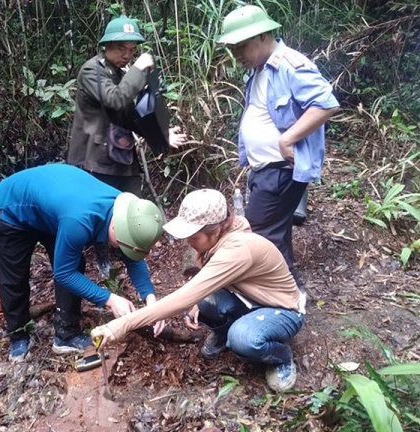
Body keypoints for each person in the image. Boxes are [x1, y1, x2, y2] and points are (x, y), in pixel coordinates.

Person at [92, 189, 306, 392]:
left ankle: (282, 357)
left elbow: (184, 297)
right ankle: (224, 334)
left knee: (242, 338)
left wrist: (123, 324)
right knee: (203, 304)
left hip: (283, 310)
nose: (189, 242)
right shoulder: (223, 234)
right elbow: (203, 285)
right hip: (250, 299)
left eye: (193, 237)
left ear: (214, 231)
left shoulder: (238, 249)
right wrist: (197, 302)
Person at [0, 163, 166, 361]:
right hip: (11, 209)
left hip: (52, 211)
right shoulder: (80, 221)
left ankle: (66, 334)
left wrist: (150, 300)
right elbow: (63, 273)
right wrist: (109, 299)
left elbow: (133, 254)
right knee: (14, 278)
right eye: (122, 245)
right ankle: (18, 334)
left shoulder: (127, 211)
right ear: (117, 229)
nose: (122, 251)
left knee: (74, 263)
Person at [218, 5, 340, 276]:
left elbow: (325, 104)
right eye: (233, 48)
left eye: (242, 46)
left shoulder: (289, 64)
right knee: (276, 236)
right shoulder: (260, 69)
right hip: (266, 170)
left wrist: (288, 139)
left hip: (280, 171)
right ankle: (291, 298)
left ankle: (278, 304)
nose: (236, 54)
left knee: (261, 239)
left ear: (263, 36)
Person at [67, 15, 186, 196]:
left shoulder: (120, 74)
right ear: (106, 46)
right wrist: (137, 69)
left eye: (132, 50)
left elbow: (132, 117)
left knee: (133, 214)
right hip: (96, 163)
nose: (127, 55)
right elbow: (115, 99)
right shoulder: (92, 70)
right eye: (121, 48)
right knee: (103, 216)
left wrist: (161, 134)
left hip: (121, 159)